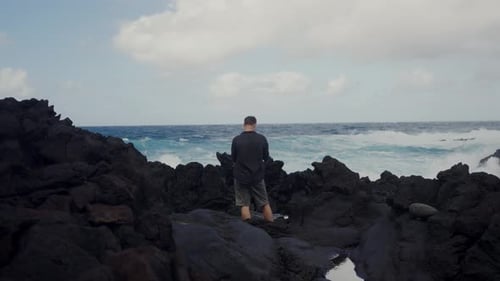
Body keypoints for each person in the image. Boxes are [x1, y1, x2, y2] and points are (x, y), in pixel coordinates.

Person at [231, 116, 274, 222]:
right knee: (264, 202)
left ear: (244, 124)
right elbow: (266, 157)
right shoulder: (262, 139)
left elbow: (233, 158)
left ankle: (248, 227)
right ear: (254, 124)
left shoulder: (236, 140)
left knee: (244, 204)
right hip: (257, 175)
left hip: (241, 176)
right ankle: (271, 225)